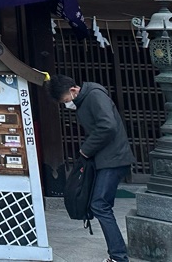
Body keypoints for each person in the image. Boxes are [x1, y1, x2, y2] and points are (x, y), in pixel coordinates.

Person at [47, 74, 135, 262]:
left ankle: (119, 256)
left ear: (73, 90)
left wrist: (86, 149)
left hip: (113, 158)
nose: (66, 104)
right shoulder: (85, 100)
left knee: (99, 205)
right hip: (106, 158)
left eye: (65, 100)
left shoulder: (94, 95)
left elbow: (107, 126)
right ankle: (117, 255)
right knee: (100, 205)